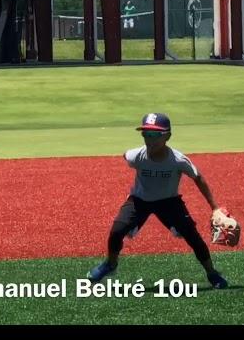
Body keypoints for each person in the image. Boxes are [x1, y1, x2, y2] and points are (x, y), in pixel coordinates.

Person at [87, 112, 229, 289]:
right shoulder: (137, 155)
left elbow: (198, 177)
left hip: (169, 202)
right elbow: (126, 155)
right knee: (117, 231)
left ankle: (212, 273)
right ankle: (110, 264)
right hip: (139, 201)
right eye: (146, 134)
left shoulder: (178, 160)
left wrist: (214, 207)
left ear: (168, 136)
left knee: (193, 237)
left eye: (155, 134)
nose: (150, 139)